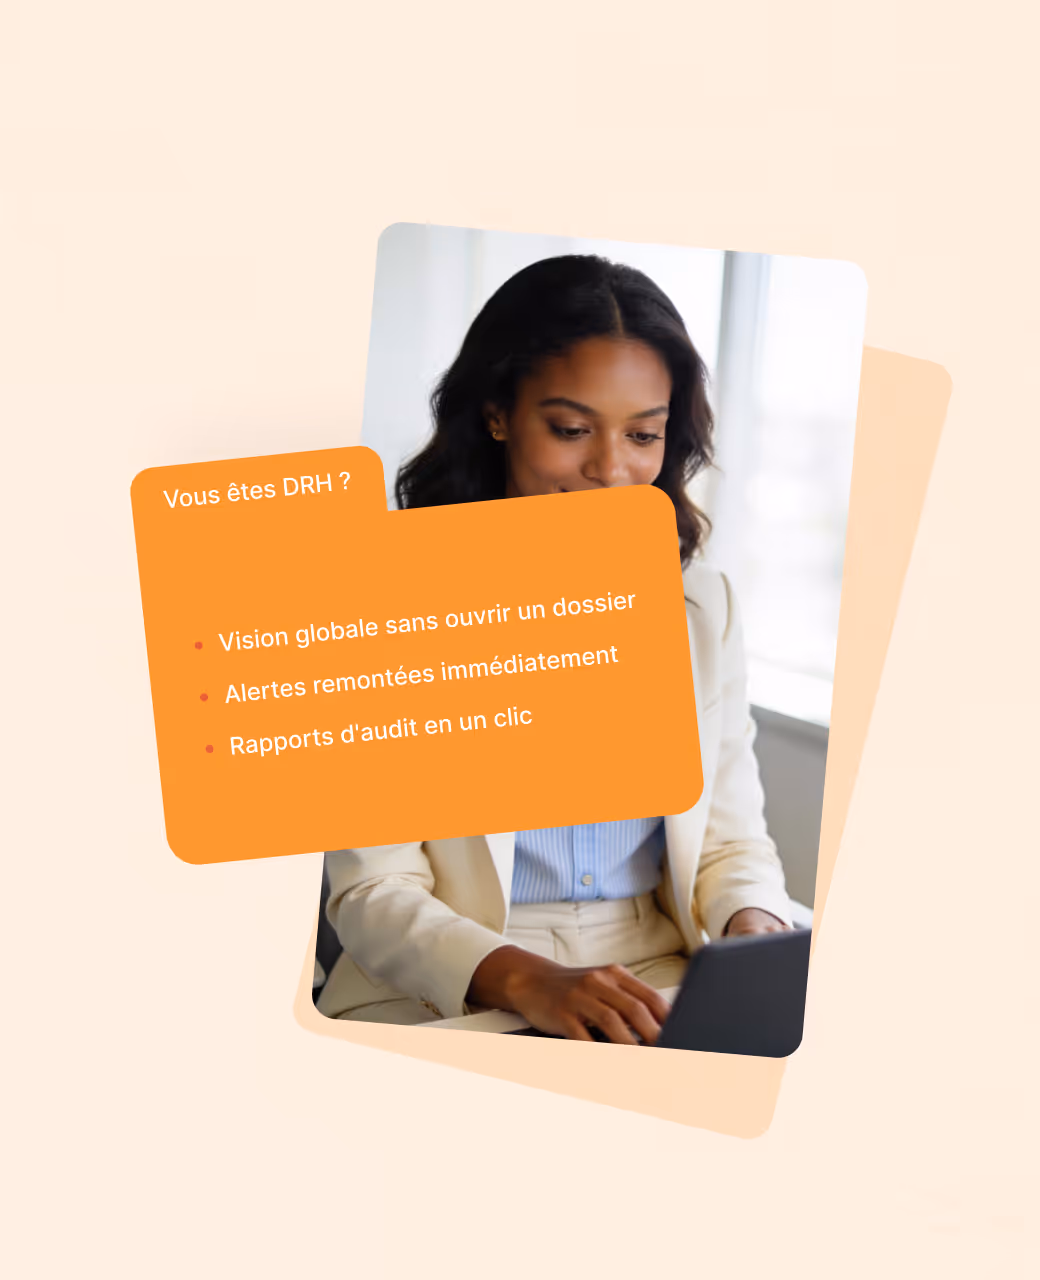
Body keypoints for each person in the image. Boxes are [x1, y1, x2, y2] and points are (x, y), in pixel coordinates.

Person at [316, 255, 793, 1044]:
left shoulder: (702, 605)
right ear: (498, 413)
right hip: (454, 981)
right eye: (572, 430)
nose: (611, 471)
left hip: (657, 972)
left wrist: (754, 928)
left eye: (643, 435)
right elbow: (374, 891)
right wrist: (527, 980)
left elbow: (731, 842)